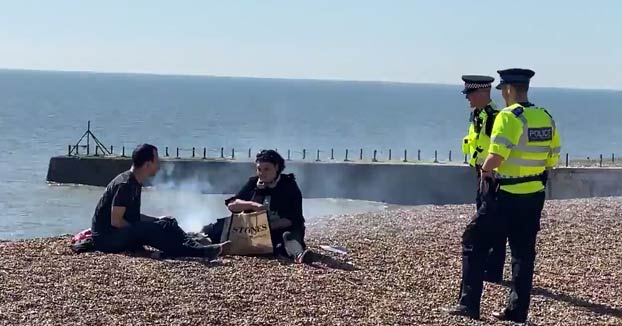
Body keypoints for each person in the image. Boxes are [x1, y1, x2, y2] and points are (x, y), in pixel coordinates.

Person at [443, 68, 561, 323]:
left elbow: (496, 157)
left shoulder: (508, 117)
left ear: (508, 89)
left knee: (472, 243)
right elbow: (553, 156)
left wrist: (485, 171)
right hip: (534, 195)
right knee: (522, 254)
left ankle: (469, 304)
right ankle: (517, 312)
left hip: (504, 193)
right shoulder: (544, 116)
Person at [91, 143, 227, 260]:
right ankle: (199, 252)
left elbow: (132, 217)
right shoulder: (125, 184)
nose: (159, 164)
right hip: (107, 239)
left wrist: (156, 220)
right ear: (147, 164)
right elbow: (116, 221)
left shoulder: (135, 182)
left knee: (167, 223)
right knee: (154, 230)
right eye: (156, 161)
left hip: (117, 234)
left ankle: (197, 247)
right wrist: (144, 229)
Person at [203, 149, 312, 263]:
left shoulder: (289, 186)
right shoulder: (253, 182)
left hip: (278, 229)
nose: (262, 173)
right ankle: (201, 244)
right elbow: (232, 205)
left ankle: (299, 255)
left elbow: (293, 219)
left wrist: (266, 226)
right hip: (252, 229)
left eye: (266, 169)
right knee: (217, 228)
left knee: (287, 238)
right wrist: (253, 204)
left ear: (277, 168)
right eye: (259, 169)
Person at [460, 75, 506, 284]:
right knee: (484, 216)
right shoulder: (478, 114)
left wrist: (490, 172)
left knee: (493, 222)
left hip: (492, 174)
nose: (468, 99)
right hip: (480, 171)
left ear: (482, 93)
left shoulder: (495, 116)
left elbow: (499, 148)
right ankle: (488, 266)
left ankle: (493, 269)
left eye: (470, 94)